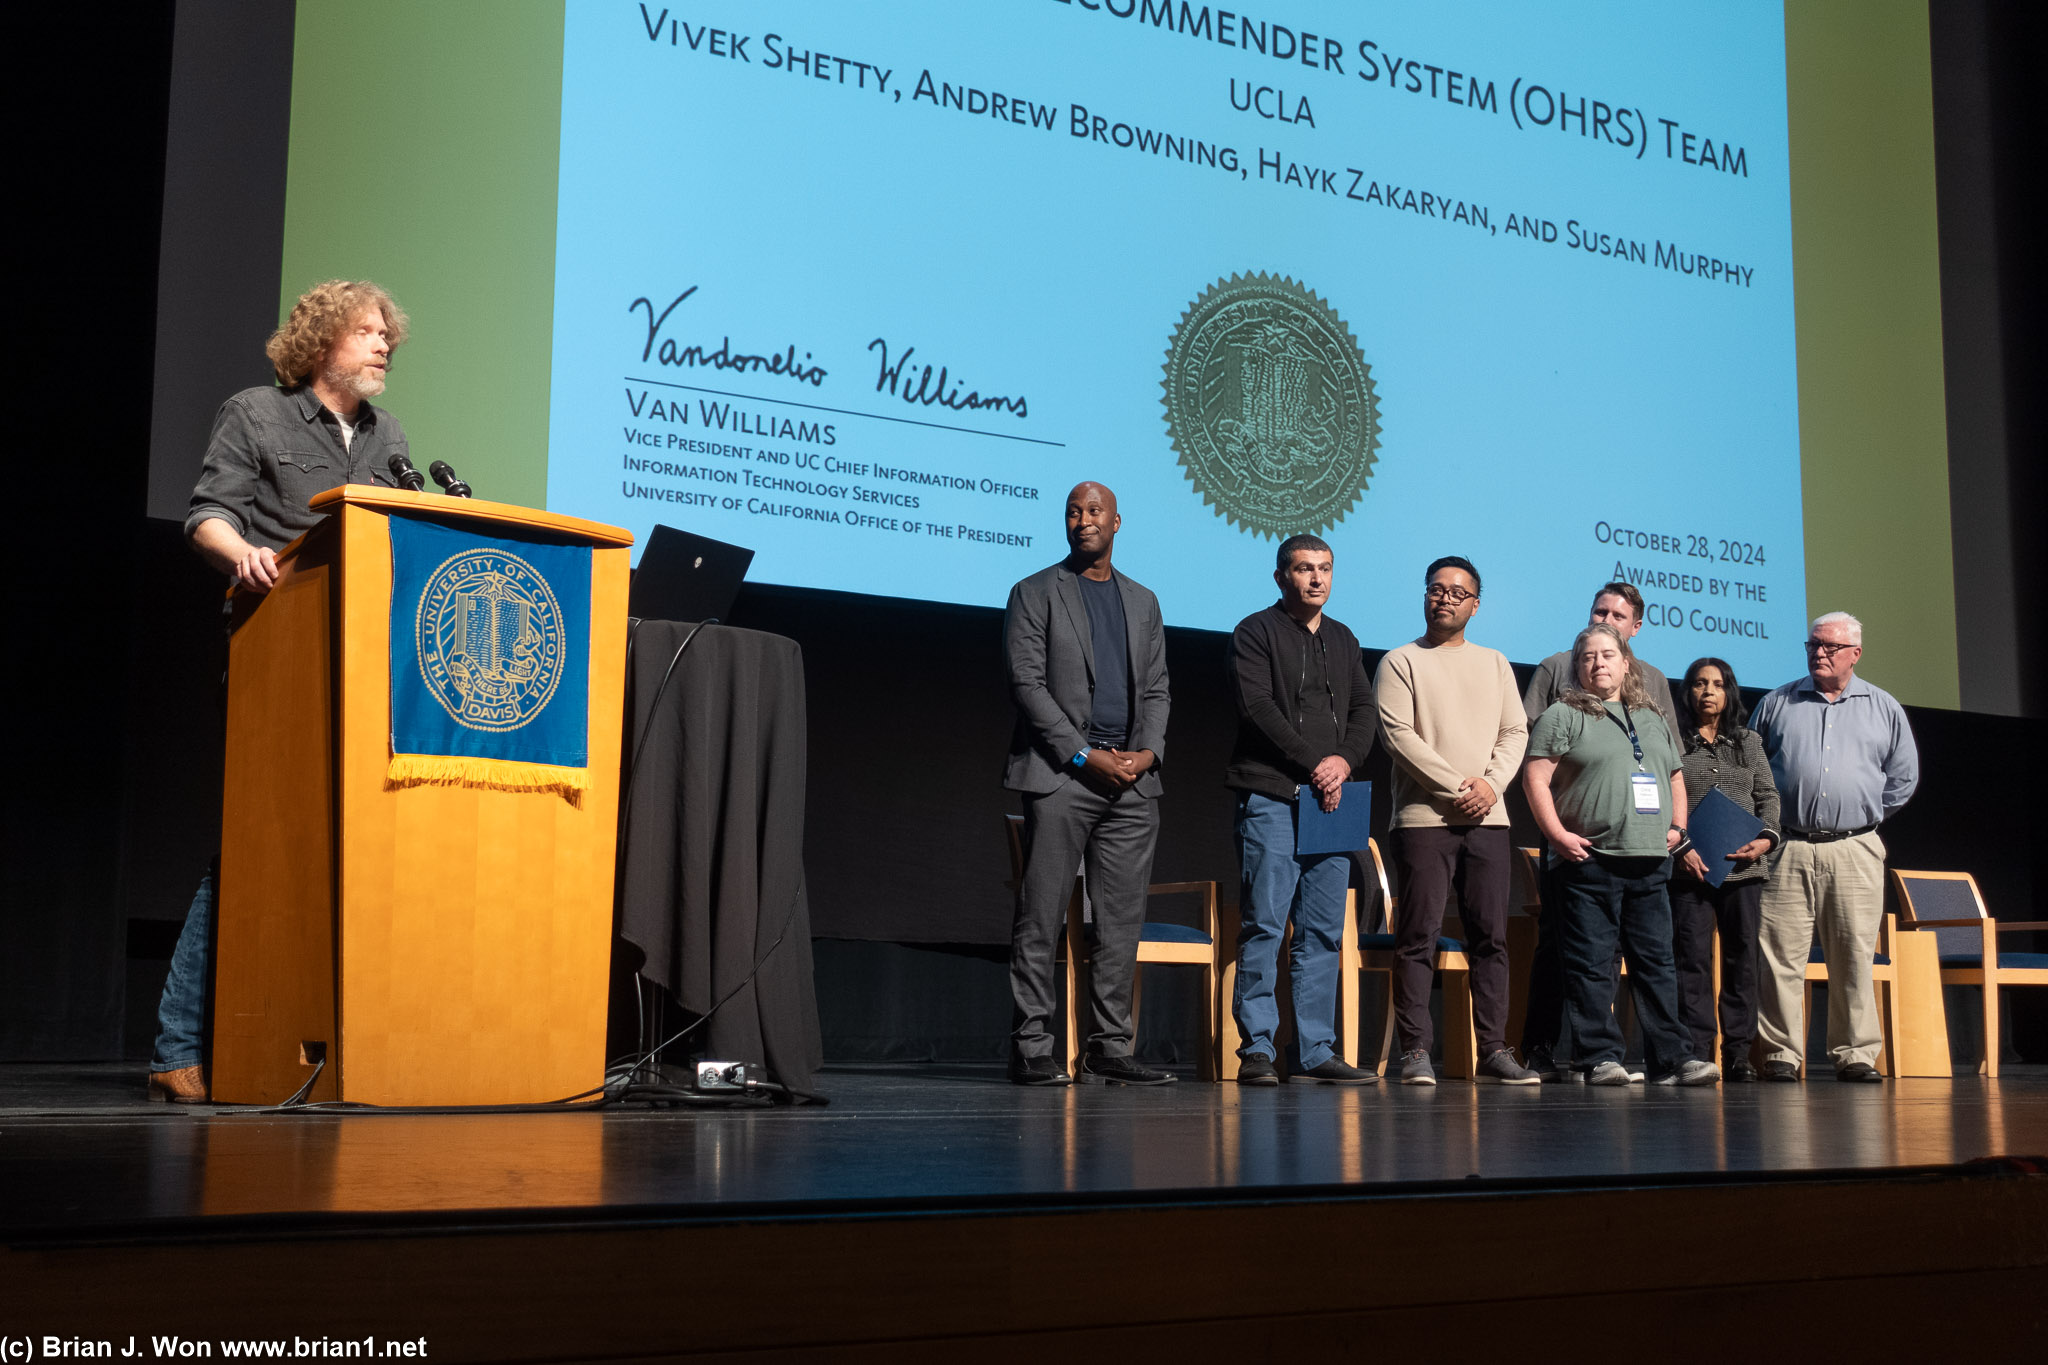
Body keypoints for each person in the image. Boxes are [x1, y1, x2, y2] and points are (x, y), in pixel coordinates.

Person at [146, 280, 412, 1103]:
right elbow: (206, 516)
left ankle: (320, 1038)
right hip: (278, 656)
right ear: (321, 341)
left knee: (352, 853)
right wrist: (244, 556)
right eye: (365, 331)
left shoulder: (388, 435)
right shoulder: (256, 412)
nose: (381, 345)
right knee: (251, 851)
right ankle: (177, 1044)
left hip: (368, 669)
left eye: (386, 335)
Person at [1002, 482, 1174, 1086]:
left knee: (1120, 922)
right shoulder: (1034, 592)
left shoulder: (1143, 600)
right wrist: (1082, 756)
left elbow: (1156, 689)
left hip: (1132, 783)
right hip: (1061, 777)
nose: (1082, 520)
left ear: (1117, 522)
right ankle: (1030, 1046)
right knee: (1040, 915)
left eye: (1094, 511)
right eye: (1072, 511)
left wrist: (1147, 754)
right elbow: (1027, 685)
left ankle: (1109, 1047)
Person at [1521, 625, 1719, 1086]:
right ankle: (1600, 1058)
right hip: (1588, 860)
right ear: (1577, 668)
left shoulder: (1650, 716)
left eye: (1608, 654)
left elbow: (1673, 777)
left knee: (1657, 966)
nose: (1598, 663)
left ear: (1626, 663)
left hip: (1650, 860)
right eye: (1588, 657)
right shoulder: (1562, 714)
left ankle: (1673, 1059)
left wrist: (1679, 828)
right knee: (1591, 966)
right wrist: (1555, 835)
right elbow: (1535, 778)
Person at [1224, 535, 1379, 1085]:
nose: (1317, 578)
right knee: (1265, 923)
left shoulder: (1344, 639)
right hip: (1271, 795)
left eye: (1326, 569)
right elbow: (1258, 710)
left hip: (1331, 801)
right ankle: (1258, 1050)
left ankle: (1315, 1050)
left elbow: (1364, 711)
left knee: (1322, 931)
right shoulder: (1255, 632)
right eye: (1304, 569)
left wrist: (1343, 761)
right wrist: (1319, 763)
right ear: (1280, 577)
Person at [1375, 556, 1535, 1085]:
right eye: (1435, 590)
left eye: (1456, 592)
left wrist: (1490, 785)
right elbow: (1399, 736)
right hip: (1424, 820)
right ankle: (1416, 1051)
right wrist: (1460, 786)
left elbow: (1515, 732)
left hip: (1489, 818)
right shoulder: (1400, 661)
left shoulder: (1494, 663)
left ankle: (1493, 1049)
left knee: (1490, 938)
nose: (1444, 598)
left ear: (1475, 605)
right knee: (1417, 935)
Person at [1749, 612, 1919, 1082]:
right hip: (1787, 846)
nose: (1819, 653)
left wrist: (1860, 816)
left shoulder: (1883, 707)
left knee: (1853, 953)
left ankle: (1856, 1054)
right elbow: (1752, 774)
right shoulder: (1776, 703)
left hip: (1855, 848)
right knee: (1779, 954)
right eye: (1813, 645)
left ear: (1855, 654)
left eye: (1830, 647)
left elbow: (1903, 779)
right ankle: (1782, 1052)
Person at [1669, 657, 1781, 1081]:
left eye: (1717, 684)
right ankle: (1697, 1052)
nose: (1708, 691)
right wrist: (1681, 847)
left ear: (1729, 690)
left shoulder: (1747, 741)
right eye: (1699, 683)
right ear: (1688, 692)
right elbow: (1664, 800)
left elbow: (1768, 796)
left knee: (1742, 958)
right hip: (1689, 868)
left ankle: (1737, 1053)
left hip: (1744, 869)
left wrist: (1767, 838)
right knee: (1691, 960)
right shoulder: (1674, 741)